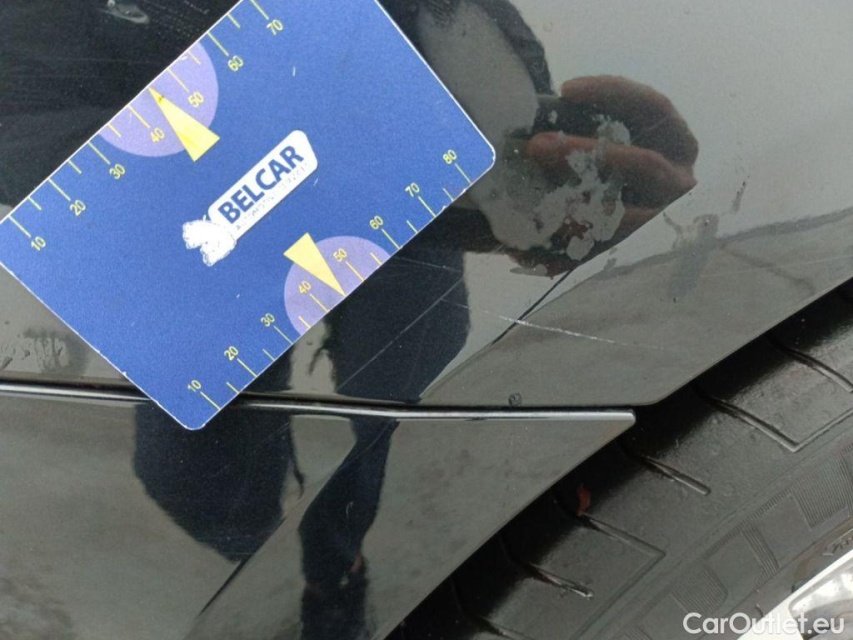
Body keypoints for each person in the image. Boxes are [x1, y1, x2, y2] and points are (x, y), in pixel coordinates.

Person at [1, 1, 698, 638]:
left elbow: (464, 20)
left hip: (399, 228)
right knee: (193, 480)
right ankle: (267, 561)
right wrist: (243, 150)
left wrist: (529, 162)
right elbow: (16, 130)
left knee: (388, 410)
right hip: (198, 267)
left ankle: (337, 570)